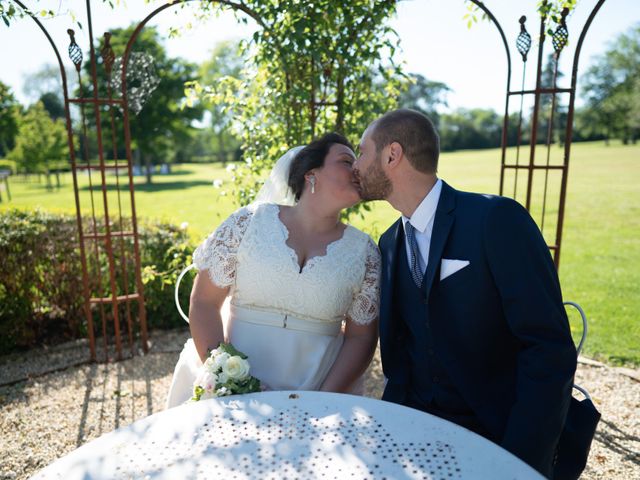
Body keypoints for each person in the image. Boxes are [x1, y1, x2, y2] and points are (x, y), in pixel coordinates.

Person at [352, 109, 577, 478]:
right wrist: (390, 433)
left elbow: (547, 347)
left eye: (362, 152)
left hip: (498, 437)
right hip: (416, 440)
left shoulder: (495, 219)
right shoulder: (390, 243)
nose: (356, 165)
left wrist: (520, 462)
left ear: (392, 155)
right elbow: (403, 355)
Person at [166, 133, 380, 408]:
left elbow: (360, 337)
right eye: (346, 160)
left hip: (320, 391)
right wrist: (226, 380)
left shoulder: (364, 252)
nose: (357, 169)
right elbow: (205, 303)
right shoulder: (248, 223)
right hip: (234, 392)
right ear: (310, 173)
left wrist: (324, 398)